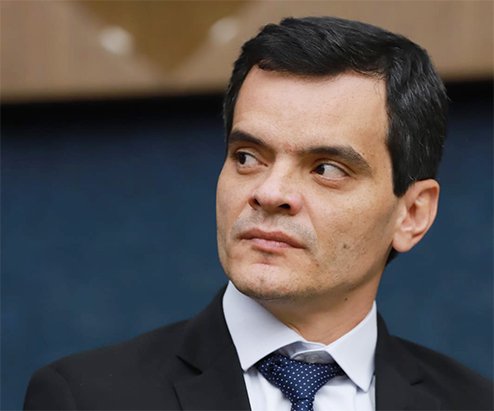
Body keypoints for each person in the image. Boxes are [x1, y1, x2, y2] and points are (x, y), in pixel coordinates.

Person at [24, 16, 492, 411]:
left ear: (412, 214)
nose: (270, 192)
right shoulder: (85, 398)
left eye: (326, 169)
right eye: (248, 157)